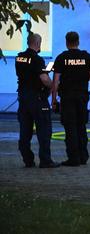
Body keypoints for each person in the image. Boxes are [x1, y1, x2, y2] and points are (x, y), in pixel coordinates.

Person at [52, 31, 90, 166]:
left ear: (67, 43)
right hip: (82, 97)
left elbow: (55, 81)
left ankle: (73, 158)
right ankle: (83, 157)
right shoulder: (87, 57)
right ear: (78, 42)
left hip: (67, 98)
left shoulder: (61, 58)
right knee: (81, 126)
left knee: (70, 128)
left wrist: (53, 100)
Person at [15, 33, 59, 168]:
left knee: (25, 130)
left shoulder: (19, 57)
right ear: (38, 43)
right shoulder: (37, 59)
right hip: (38, 99)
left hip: (23, 98)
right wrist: (54, 86)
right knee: (44, 130)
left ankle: (28, 159)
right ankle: (45, 160)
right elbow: (44, 79)